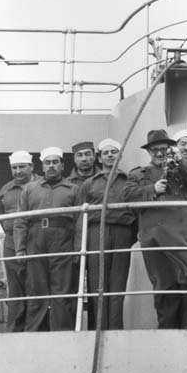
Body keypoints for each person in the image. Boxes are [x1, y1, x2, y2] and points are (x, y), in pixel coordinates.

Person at [126, 130, 187, 329]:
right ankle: (167, 335)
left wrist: (180, 160)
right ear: (149, 152)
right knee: (165, 288)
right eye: (154, 150)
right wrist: (152, 190)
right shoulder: (138, 174)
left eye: (163, 149)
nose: (159, 153)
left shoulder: (181, 169)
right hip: (155, 238)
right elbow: (127, 195)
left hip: (184, 237)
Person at [14, 146, 79, 331]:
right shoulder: (29, 189)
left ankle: (62, 333)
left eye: (55, 162)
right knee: (36, 289)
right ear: (42, 166)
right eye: (47, 163)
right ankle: (35, 334)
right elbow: (20, 220)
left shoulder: (73, 189)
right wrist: (20, 248)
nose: (51, 166)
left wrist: (77, 249)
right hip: (35, 240)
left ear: (62, 165)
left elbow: (80, 222)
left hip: (63, 240)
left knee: (62, 290)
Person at [76, 138, 137, 330]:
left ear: (120, 156)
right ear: (99, 158)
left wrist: (129, 235)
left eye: (114, 152)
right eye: (106, 153)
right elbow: (81, 216)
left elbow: (136, 212)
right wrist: (80, 247)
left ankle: (116, 329)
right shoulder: (89, 184)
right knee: (97, 284)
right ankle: (99, 329)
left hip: (122, 232)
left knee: (118, 284)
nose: (110, 155)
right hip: (96, 233)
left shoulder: (129, 181)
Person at [0, 150, 40, 332]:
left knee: (35, 285)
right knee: (15, 287)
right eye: (14, 168)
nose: (18, 171)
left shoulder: (41, 185)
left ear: (31, 166)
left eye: (22, 167)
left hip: (35, 239)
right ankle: (15, 330)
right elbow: (1, 217)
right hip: (11, 241)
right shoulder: (5, 190)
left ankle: (35, 329)